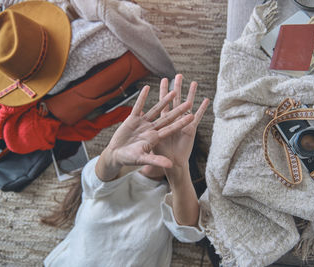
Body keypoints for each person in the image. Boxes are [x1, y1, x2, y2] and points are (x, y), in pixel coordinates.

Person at [43, 74, 210, 267]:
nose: (158, 141)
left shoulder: (169, 197)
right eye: (156, 131)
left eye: (168, 134)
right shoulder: (108, 180)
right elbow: (98, 177)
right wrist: (113, 155)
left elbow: (188, 231)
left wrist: (179, 169)